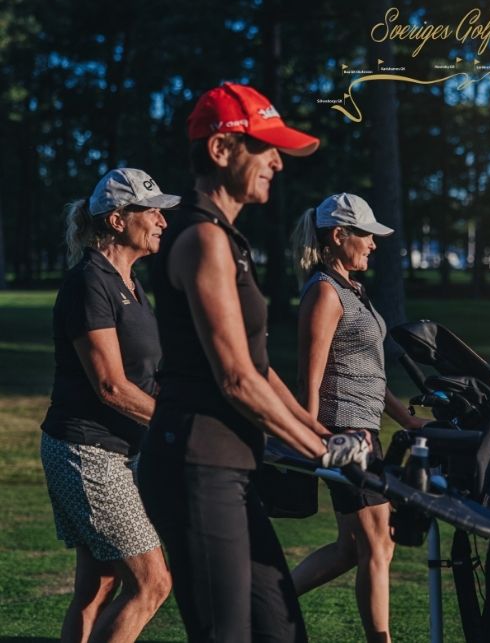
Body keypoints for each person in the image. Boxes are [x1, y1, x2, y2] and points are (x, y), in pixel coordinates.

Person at [136, 83, 369, 643]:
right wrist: (322, 453)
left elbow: (258, 368)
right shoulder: (201, 238)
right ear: (221, 149)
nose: (277, 163)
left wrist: (316, 430)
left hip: (230, 466)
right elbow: (236, 379)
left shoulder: (227, 239)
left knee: (280, 627)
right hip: (195, 463)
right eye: (265, 148)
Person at [41, 169, 178, 642]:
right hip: (86, 451)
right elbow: (111, 387)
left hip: (116, 450)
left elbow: (146, 374)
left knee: (98, 585)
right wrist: (178, 425)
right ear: (118, 220)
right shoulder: (89, 282)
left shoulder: (131, 284)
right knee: (153, 583)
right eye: (152, 210)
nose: (162, 219)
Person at [288, 193, 428, 643]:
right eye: (365, 235)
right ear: (338, 235)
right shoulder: (325, 292)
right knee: (378, 544)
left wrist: (407, 420)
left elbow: (368, 371)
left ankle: (265, 601)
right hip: (344, 435)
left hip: (365, 431)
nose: (373, 244)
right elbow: (310, 375)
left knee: (354, 547)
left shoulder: (350, 289)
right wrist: (311, 436)